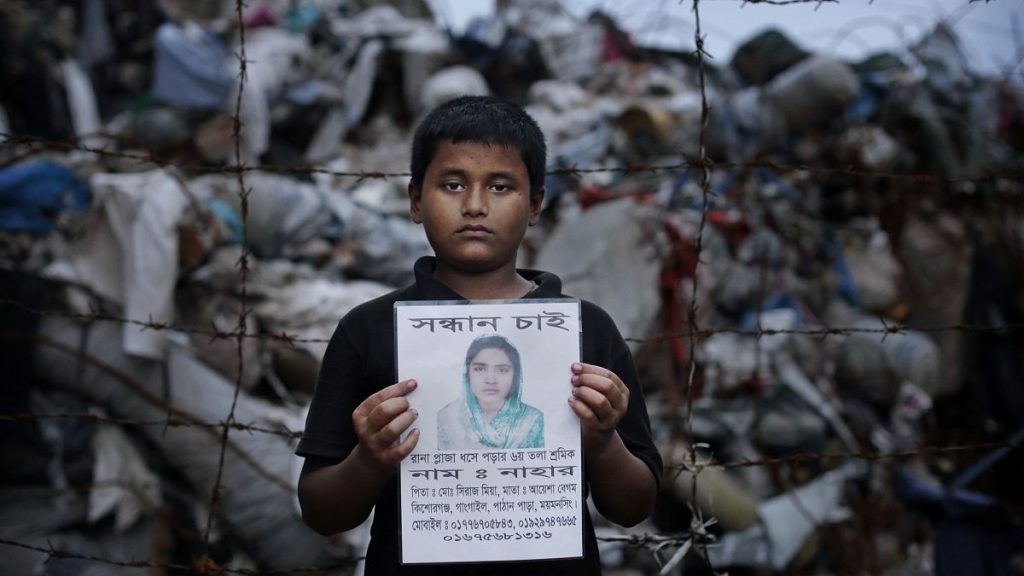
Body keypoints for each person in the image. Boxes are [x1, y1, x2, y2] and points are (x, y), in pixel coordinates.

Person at [296, 95, 662, 575]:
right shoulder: (368, 330)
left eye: (500, 186)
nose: (474, 205)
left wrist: (601, 441)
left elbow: (634, 506)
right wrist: (368, 461)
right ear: (415, 201)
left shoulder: (585, 330)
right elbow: (321, 512)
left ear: (535, 205)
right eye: (452, 184)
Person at [437, 334, 544, 450]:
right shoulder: (447, 419)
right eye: (480, 369)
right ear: (467, 373)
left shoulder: (532, 420)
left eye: (502, 370)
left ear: (516, 375)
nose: (491, 380)